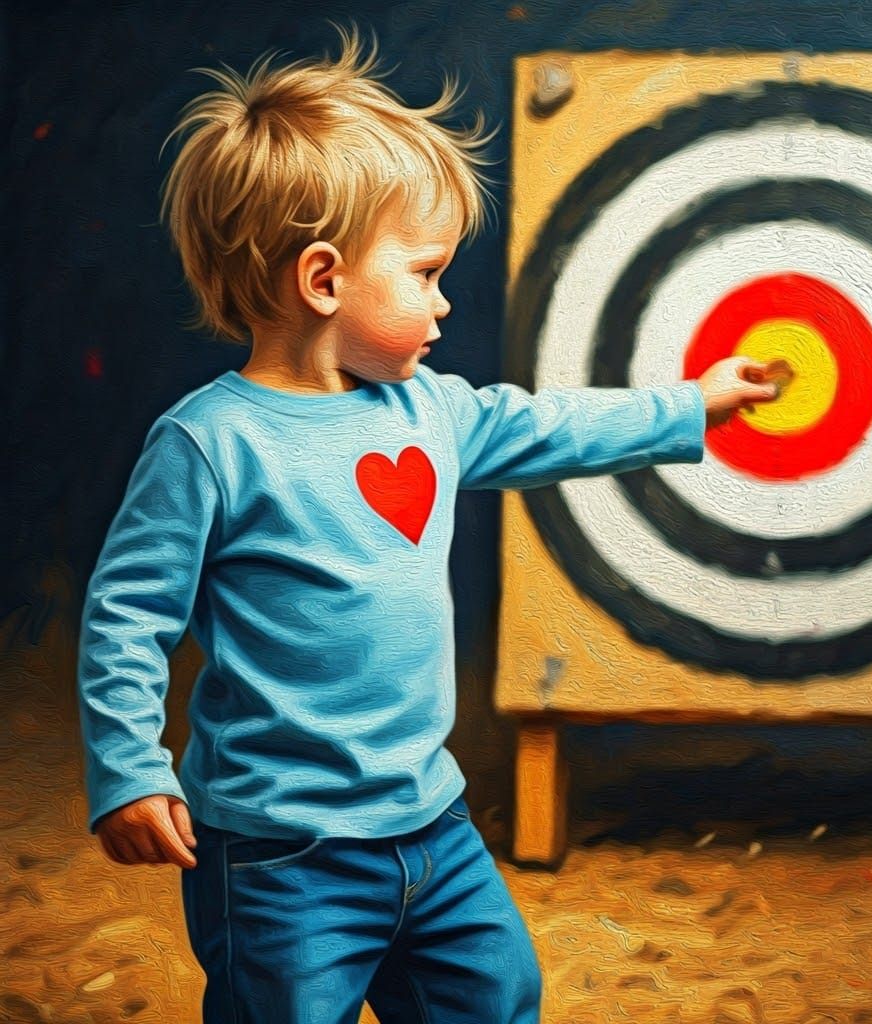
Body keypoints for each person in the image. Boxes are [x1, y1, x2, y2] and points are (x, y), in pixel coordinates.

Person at [77, 25, 780, 1024]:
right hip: (281, 853)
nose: (445, 304)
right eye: (424, 273)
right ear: (322, 280)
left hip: (433, 824)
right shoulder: (209, 445)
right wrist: (127, 769)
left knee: (497, 996)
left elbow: (549, 427)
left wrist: (687, 404)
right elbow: (123, 618)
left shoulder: (432, 413)